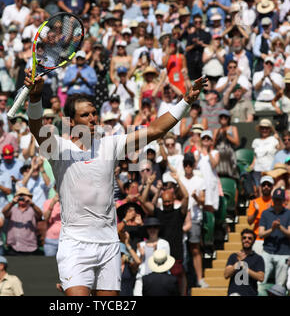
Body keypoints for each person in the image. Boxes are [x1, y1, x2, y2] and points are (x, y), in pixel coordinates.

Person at [23, 66, 206, 296]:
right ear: (70, 121)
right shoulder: (59, 148)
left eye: (93, 113)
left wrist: (185, 102)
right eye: (85, 115)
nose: (92, 118)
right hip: (74, 246)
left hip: (109, 244)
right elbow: (37, 128)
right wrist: (35, 97)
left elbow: (155, 131)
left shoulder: (110, 145)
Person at [180, 152, 208, 288]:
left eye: (190, 164)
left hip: (195, 218)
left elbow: (203, 201)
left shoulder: (200, 181)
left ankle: (199, 278)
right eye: (186, 164)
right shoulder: (180, 179)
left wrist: (196, 198)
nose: (188, 167)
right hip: (181, 218)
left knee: (195, 249)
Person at [258, 188, 290, 293]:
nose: (277, 202)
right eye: (276, 199)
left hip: (284, 253)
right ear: (273, 199)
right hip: (267, 251)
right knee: (260, 281)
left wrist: (280, 227)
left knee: (280, 286)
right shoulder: (265, 213)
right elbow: (261, 234)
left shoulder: (288, 213)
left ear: (283, 201)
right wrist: (272, 229)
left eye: (279, 200)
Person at [133, 216, 170, 296]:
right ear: (146, 229)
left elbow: (167, 264)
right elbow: (135, 267)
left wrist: (156, 253)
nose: (152, 229)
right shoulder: (141, 245)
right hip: (141, 278)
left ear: (159, 229)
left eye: (155, 227)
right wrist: (141, 256)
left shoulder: (164, 244)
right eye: (149, 227)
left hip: (158, 280)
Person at [2, 187, 43, 256]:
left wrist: (31, 203)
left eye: (24, 195)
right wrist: (12, 202)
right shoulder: (12, 209)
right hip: (13, 247)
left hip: (30, 247)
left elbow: (40, 214)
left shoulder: (33, 209)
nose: (22, 198)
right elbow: (4, 212)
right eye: (20, 196)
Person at [224, 228, 265, 296]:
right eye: (244, 238)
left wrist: (245, 268)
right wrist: (237, 264)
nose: (246, 240)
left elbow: (261, 277)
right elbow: (226, 275)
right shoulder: (233, 256)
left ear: (254, 241)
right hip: (234, 293)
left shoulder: (258, 258)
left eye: (249, 238)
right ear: (241, 239)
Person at [247, 176, 274, 255]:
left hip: (271, 238)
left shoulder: (276, 202)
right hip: (258, 239)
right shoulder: (254, 202)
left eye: (268, 185)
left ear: (272, 187)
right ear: (260, 187)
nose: (266, 187)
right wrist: (256, 211)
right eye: (264, 185)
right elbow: (249, 222)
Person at [212, 109, 240, 179]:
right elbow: (212, 145)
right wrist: (217, 136)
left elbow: (237, 142)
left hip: (229, 153)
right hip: (219, 153)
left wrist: (227, 136)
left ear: (228, 119)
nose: (223, 119)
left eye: (225, 117)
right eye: (221, 117)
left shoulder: (233, 128)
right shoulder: (216, 130)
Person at [42, 192, 61, 257]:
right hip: (51, 241)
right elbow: (46, 218)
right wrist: (53, 203)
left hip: (66, 240)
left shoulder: (70, 202)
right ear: (55, 188)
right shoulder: (47, 202)